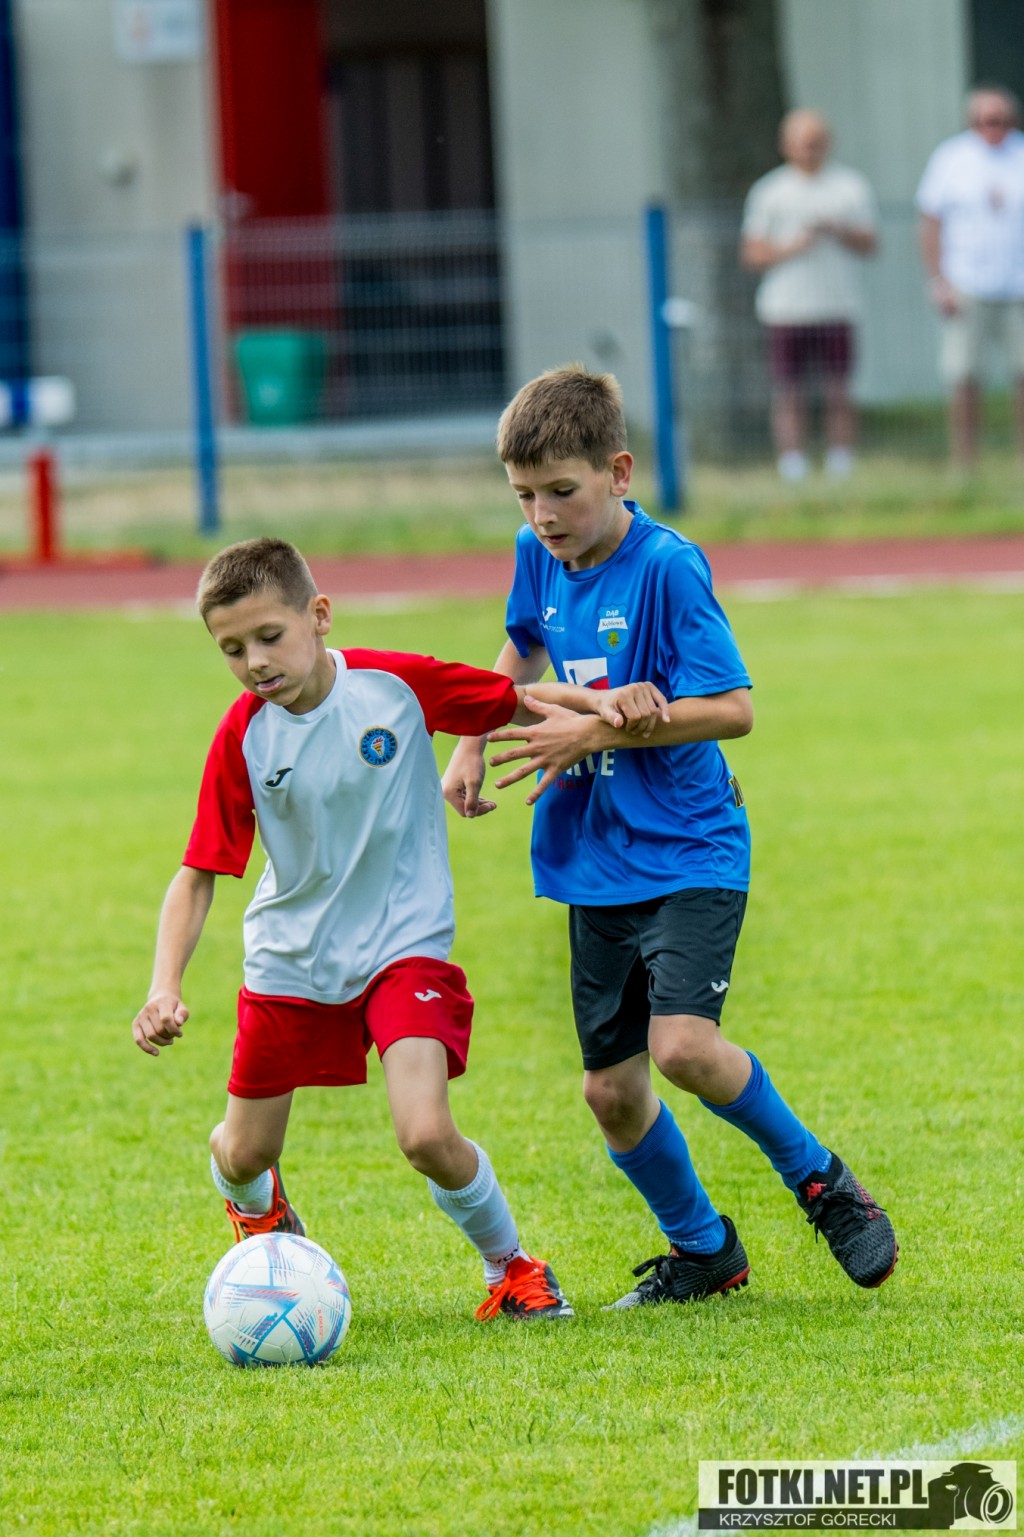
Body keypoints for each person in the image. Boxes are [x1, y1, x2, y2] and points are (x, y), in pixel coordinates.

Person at [442, 365, 898, 1308]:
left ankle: (823, 1182)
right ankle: (705, 1251)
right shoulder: (538, 552)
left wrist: (604, 727)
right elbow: (522, 644)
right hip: (594, 855)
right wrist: (472, 740)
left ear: (618, 472)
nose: (542, 515)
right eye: (524, 495)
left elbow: (733, 710)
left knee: (685, 1046)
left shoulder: (667, 565)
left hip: (690, 846)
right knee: (610, 1092)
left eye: (561, 491)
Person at [130, 537, 662, 1322]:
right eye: (232, 649)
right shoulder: (244, 734)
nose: (254, 662)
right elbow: (198, 871)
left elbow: (518, 698)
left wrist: (613, 701)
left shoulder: (393, 685)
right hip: (291, 958)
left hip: (403, 946)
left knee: (425, 1132)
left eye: (269, 636)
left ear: (319, 615)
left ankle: (512, 1268)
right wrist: (163, 987)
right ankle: (256, 1205)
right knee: (244, 1152)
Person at [741, 109, 878, 481]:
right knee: (789, 390)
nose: (810, 150)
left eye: (817, 143)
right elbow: (752, 252)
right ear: (786, 145)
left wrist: (838, 230)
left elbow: (870, 243)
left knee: (839, 389)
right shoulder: (770, 191)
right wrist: (793, 246)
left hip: (837, 304)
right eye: (804, 143)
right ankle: (793, 464)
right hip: (787, 308)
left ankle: (841, 462)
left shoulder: (850, 187)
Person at [917, 85, 1024, 469]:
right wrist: (938, 281)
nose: (992, 127)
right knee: (963, 376)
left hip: (1019, 286)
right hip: (966, 285)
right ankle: (965, 464)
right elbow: (930, 224)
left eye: (999, 120)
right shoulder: (951, 158)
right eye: (984, 121)